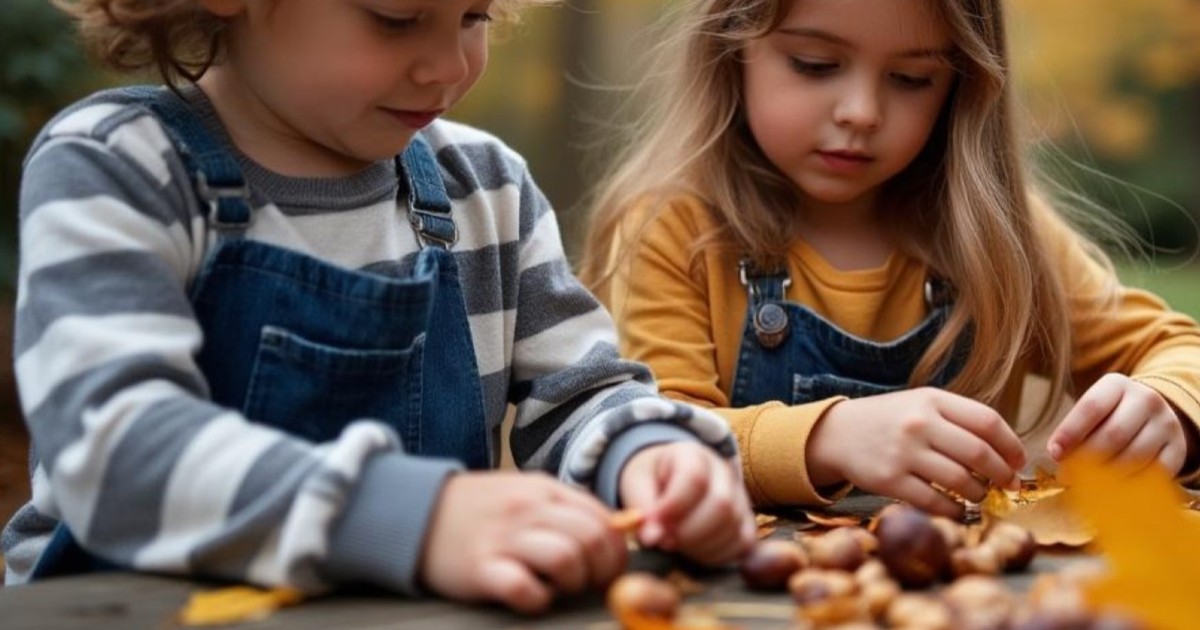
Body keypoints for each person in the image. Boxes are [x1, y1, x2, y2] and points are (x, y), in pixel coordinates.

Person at [1, 0, 756, 613]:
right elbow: (116, 454)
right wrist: (416, 519)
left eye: (474, 16)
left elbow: (581, 395)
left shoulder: (485, 187)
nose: (451, 66)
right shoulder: (116, 166)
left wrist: (649, 456)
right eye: (397, 19)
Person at [579, 0, 1200, 517]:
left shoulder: (999, 238)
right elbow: (652, 436)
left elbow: (1176, 348)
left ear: (962, 86)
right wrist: (828, 440)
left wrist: (1168, 407)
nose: (862, 112)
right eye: (815, 64)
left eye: (911, 78)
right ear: (730, 47)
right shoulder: (673, 231)